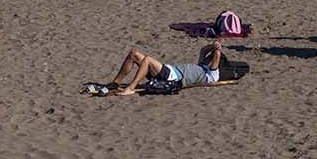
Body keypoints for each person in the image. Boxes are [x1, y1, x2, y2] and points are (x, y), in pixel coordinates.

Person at [89, 39, 224, 96]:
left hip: (173, 77)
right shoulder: (202, 65)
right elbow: (203, 50)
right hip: (168, 71)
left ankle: (131, 88)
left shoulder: (212, 75)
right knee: (133, 54)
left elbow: (216, 56)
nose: (208, 57)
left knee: (147, 59)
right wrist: (213, 45)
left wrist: (217, 50)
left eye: (210, 57)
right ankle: (115, 83)